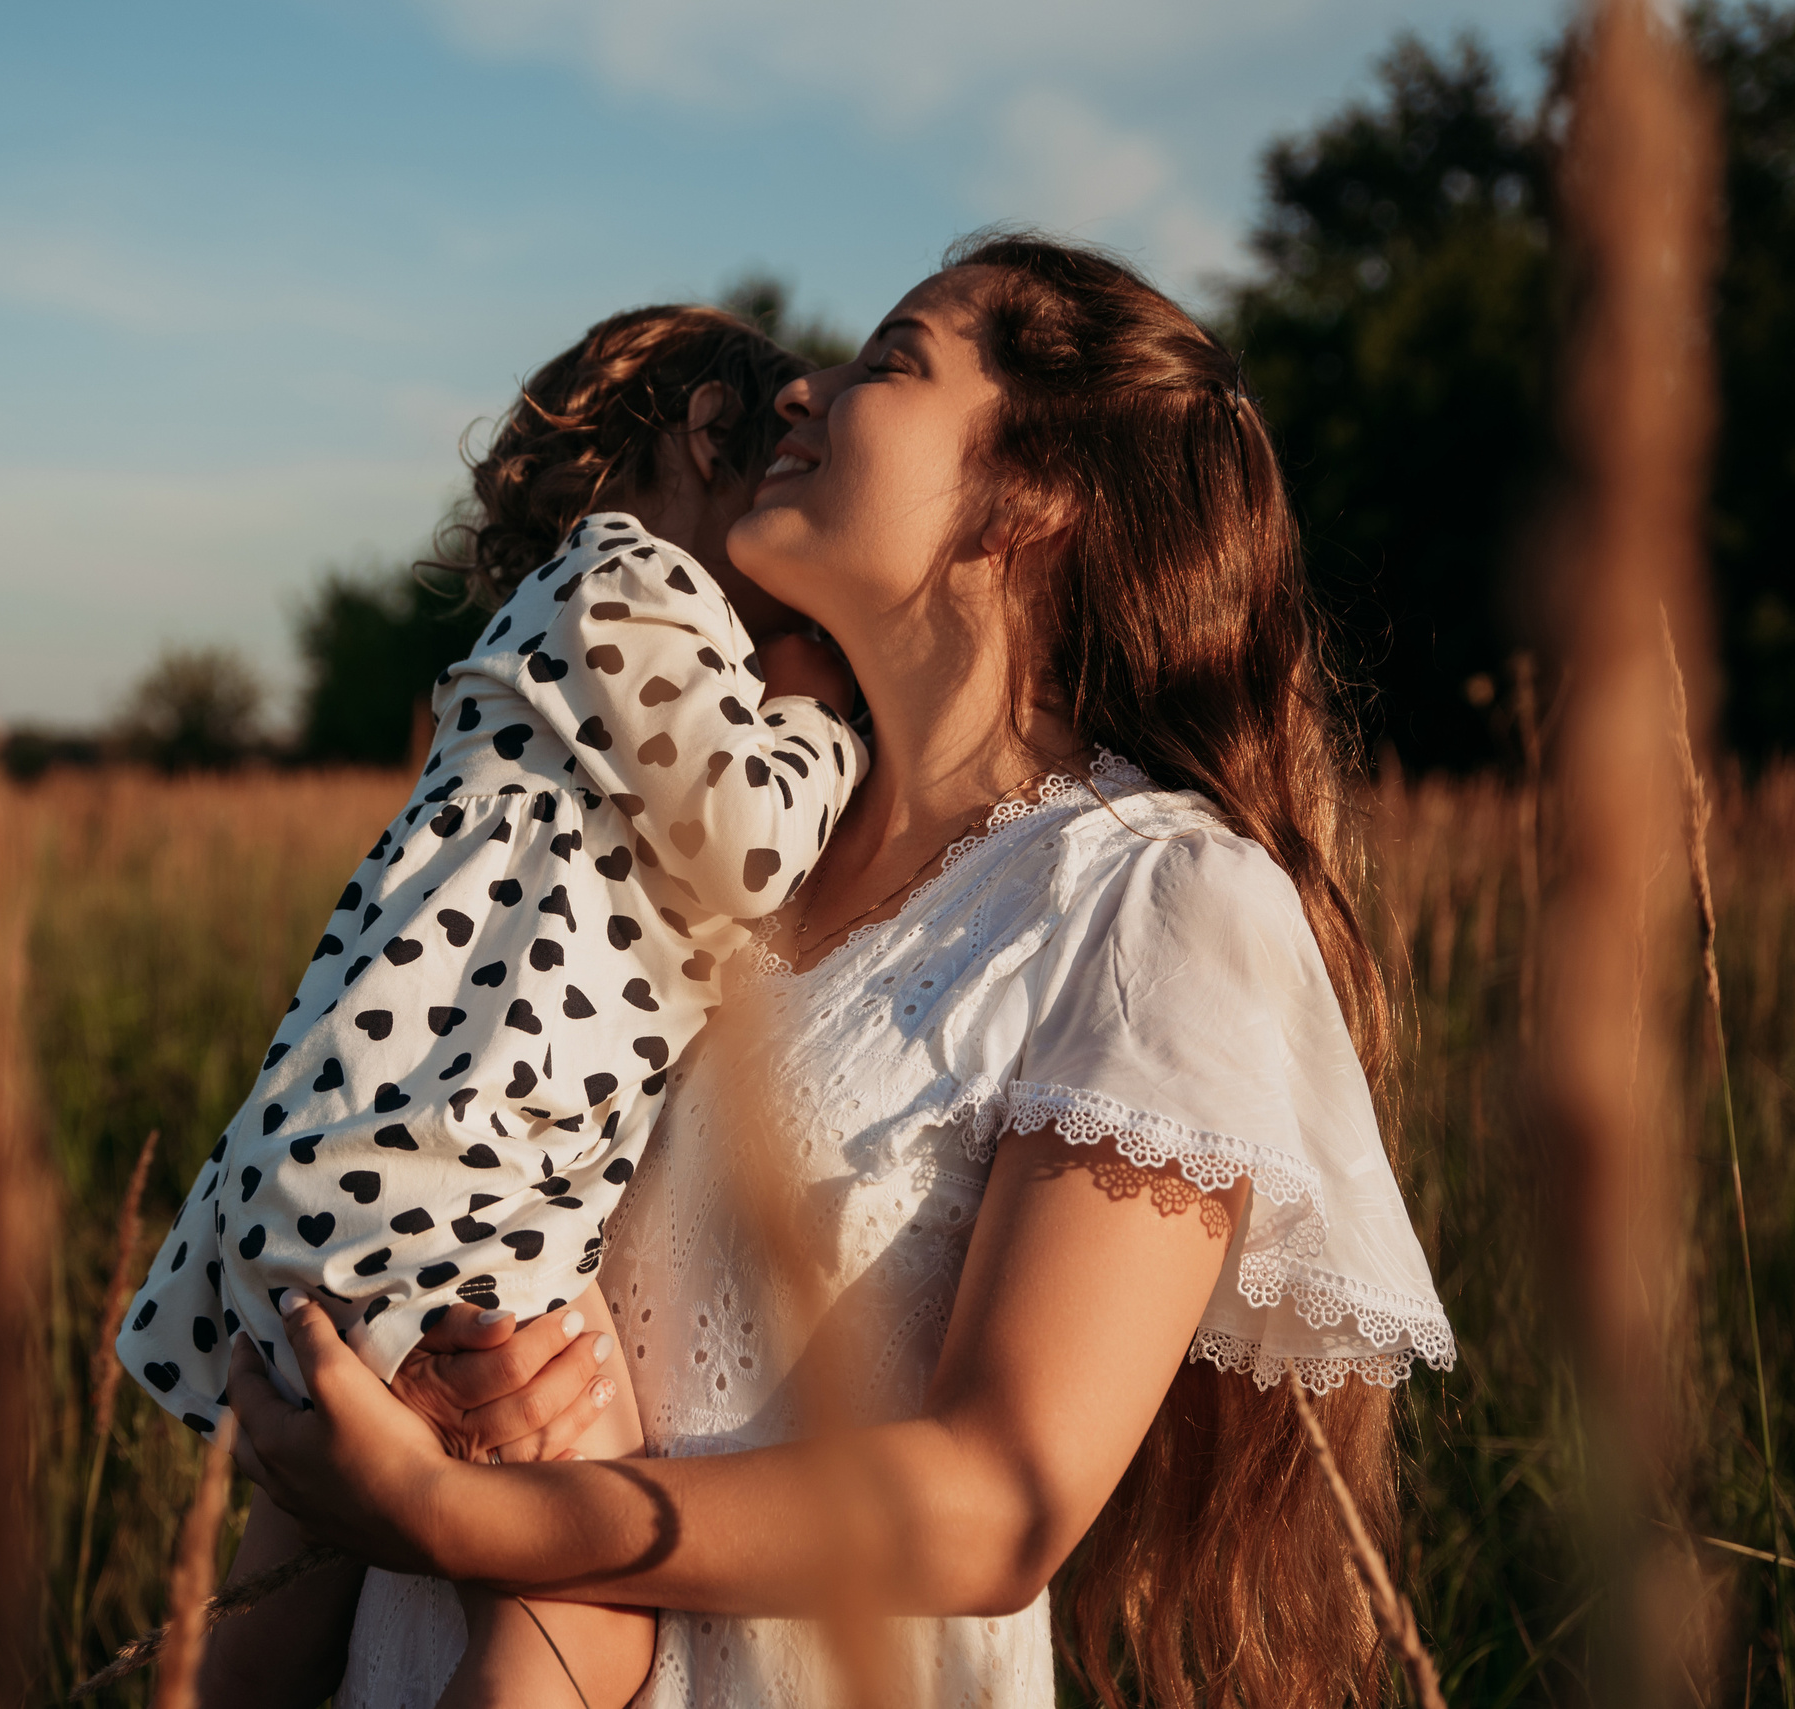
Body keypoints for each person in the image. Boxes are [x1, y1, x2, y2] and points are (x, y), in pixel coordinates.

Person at [221, 233, 1458, 1709]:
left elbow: (1000, 1499)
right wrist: (397, 1418)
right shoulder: (706, 828)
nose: (798, 388)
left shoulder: (1149, 896)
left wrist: (457, 1517)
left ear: (1032, 493)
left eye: (889, 364)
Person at [118, 304, 865, 1708]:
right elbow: (748, 843)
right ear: (711, 437)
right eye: (782, 469)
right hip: (455, 1178)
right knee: (582, 1615)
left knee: (292, 1580)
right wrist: (823, 713)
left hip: (347, 1178)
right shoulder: (635, 583)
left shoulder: (571, 628)